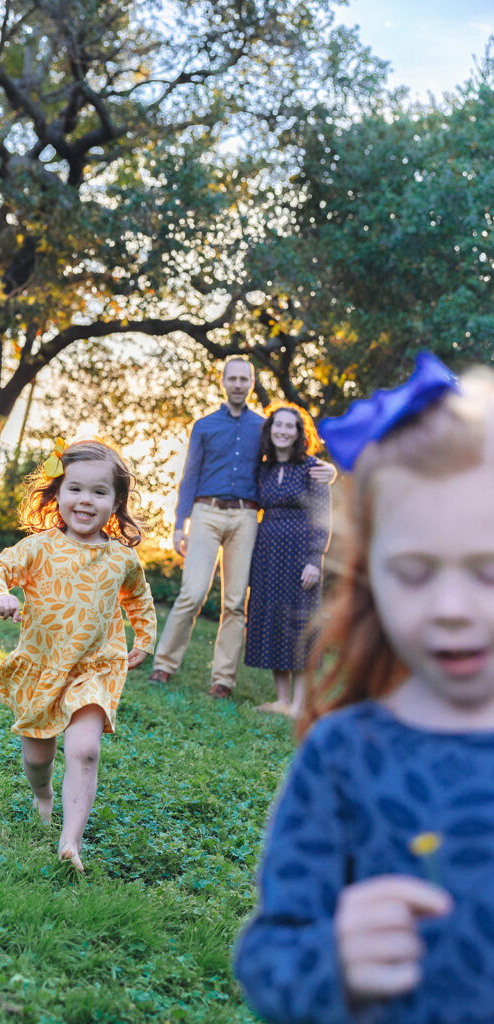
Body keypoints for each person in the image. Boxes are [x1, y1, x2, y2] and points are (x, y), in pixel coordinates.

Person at [234, 352, 494, 1023]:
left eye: (487, 571)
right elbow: (268, 956)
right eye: (412, 571)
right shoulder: (343, 755)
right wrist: (335, 961)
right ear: (368, 573)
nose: (452, 608)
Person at [0, 439, 156, 873]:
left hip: (97, 667)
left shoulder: (121, 557)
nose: (86, 500)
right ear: (57, 493)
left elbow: (140, 600)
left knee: (84, 749)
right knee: (38, 757)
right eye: (75, 489)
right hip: (42, 666)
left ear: (115, 502)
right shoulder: (37, 547)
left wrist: (143, 640)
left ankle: (70, 841)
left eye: (99, 492)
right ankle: (43, 794)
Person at [149, 358, 334, 698]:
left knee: (235, 602)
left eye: (244, 379)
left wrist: (327, 472)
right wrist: (179, 523)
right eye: (231, 378)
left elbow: (290, 459)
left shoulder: (263, 427)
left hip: (247, 518)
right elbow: (190, 476)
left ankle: (223, 680)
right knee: (191, 593)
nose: (237, 384)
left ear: (251, 382)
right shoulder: (204, 426)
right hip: (206, 512)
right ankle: (163, 665)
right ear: (222, 381)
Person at [245, 402, 332, 717]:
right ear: (270, 431)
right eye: (277, 425)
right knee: (272, 621)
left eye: (289, 426)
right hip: (266, 551)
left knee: (300, 624)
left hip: (300, 553)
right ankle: (281, 700)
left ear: (299, 432)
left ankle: (299, 704)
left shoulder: (313, 468)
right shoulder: (264, 468)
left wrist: (315, 559)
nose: (283, 431)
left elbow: (323, 517)